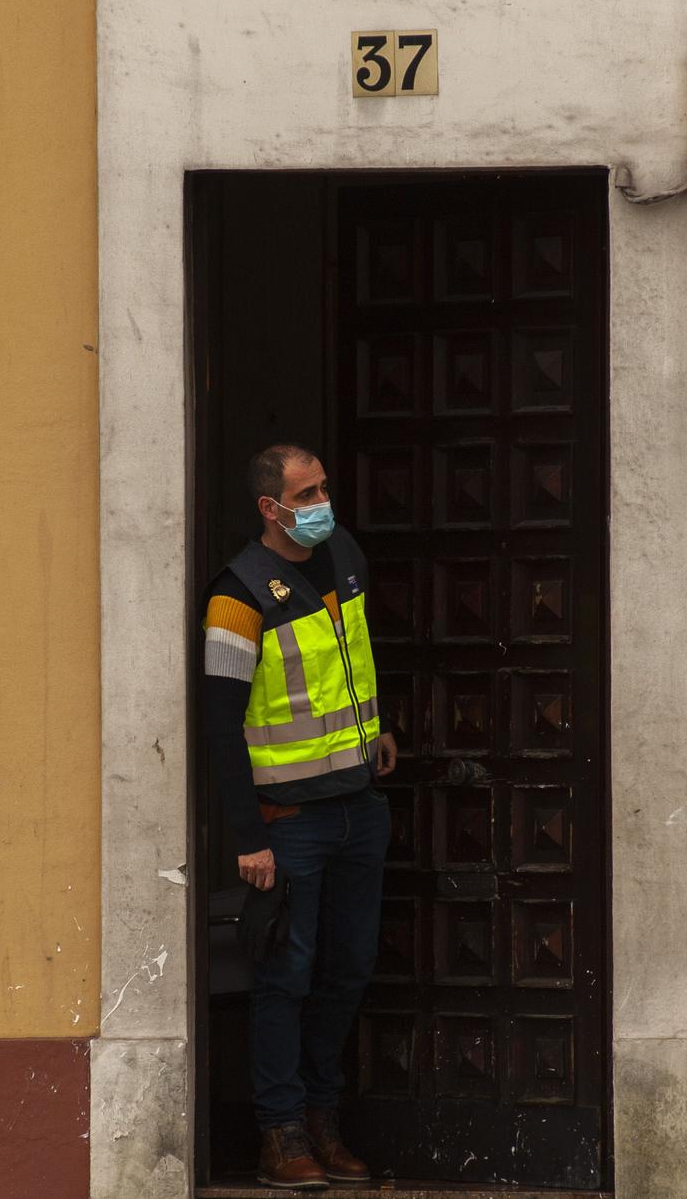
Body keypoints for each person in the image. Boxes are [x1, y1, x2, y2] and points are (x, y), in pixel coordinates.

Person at [203, 445, 399, 1190]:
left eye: (322, 486)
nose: (322, 500)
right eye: (306, 492)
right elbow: (221, 727)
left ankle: (322, 1116)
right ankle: (279, 1134)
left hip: (358, 809)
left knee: (346, 969)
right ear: (270, 508)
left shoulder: (342, 550)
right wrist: (248, 835)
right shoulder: (236, 596)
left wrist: (376, 727)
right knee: (285, 976)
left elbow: (352, 660)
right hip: (289, 823)